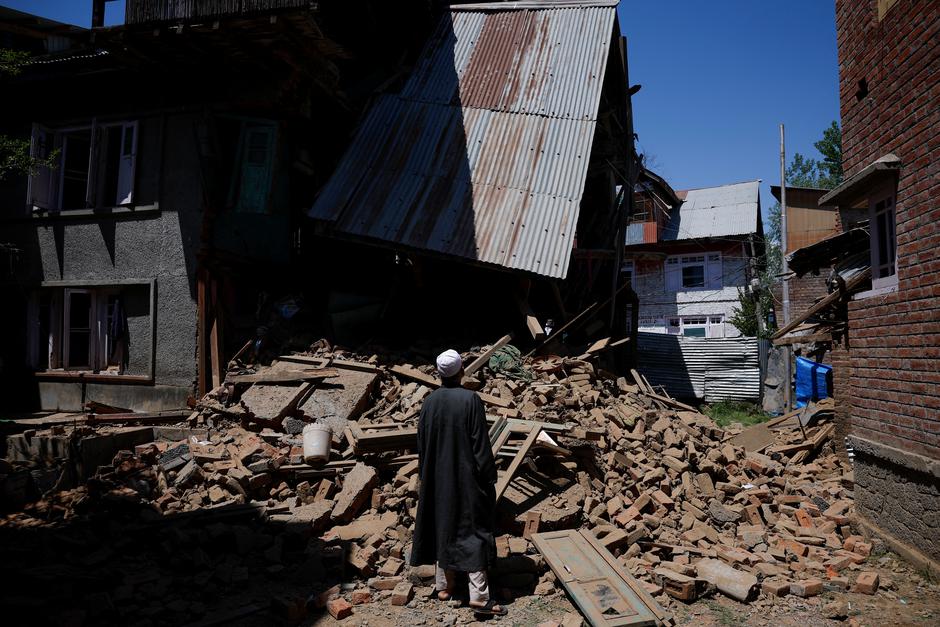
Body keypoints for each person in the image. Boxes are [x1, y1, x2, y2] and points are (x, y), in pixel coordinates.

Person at [409, 349, 506, 616]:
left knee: (444, 526)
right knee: (472, 531)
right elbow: (480, 444)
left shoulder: (429, 403)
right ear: (461, 371)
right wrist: (488, 476)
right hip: (465, 480)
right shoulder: (470, 400)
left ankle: (445, 586)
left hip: (437, 480)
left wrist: (425, 476)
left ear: (439, 374)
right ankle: (479, 596)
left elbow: (422, 444)